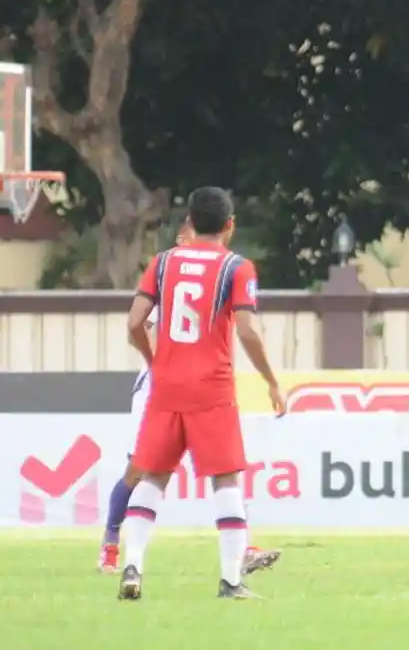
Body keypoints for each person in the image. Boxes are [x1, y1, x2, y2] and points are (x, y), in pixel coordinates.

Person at [118, 187, 286, 601]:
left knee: (152, 478)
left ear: (189, 222)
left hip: (167, 385)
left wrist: (153, 358)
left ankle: (133, 565)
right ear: (230, 225)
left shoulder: (161, 263)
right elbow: (247, 330)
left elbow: (135, 320)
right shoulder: (237, 267)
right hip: (211, 386)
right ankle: (231, 581)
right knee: (226, 480)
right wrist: (270, 380)